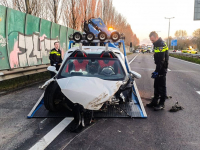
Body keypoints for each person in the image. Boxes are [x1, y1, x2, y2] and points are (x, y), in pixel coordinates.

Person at [146, 31, 169, 111]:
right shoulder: (156, 44)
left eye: (152, 40)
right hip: (158, 67)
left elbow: (161, 60)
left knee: (161, 86)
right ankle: (155, 101)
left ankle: (162, 104)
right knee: (156, 85)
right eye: (151, 40)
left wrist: (158, 71)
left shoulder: (161, 44)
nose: (152, 42)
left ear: (156, 37)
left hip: (162, 68)